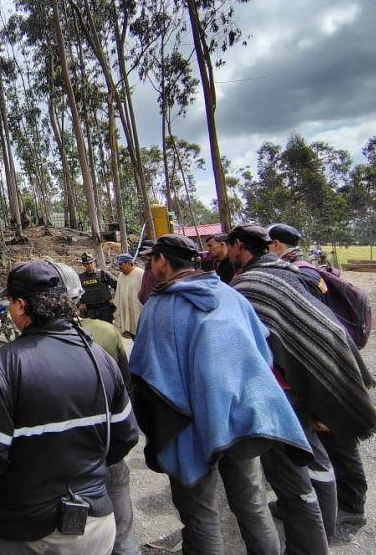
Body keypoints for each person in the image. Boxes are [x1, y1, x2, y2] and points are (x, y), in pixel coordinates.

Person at [130, 235, 311, 555]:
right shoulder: (231, 295)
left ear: (162, 261)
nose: (150, 266)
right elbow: (262, 354)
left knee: (201, 515)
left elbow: (146, 378)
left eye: (152, 260)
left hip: (189, 429)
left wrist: (155, 436)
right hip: (240, 421)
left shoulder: (159, 308)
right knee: (253, 506)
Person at [0, 260, 139, 554]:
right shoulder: (98, 356)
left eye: (8, 302)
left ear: (21, 305)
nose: (7, 308)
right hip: (95, 527)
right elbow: (125, 435)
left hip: (27, 532)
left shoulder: (5, 365)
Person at [228, 224, 376, 551]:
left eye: (228, 245)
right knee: (320, 455)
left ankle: (339, 516)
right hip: (319, 370)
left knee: (318, 456)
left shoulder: (252, 283)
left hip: (296, 383)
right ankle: (326, 524)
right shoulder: (289, 271)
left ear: (239, 245)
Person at [268, 222, 369, 527]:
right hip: (319, 363)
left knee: (337, 437)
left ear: (275, 245)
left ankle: (352, 506)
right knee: (323, 438)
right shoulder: (304, 269)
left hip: (324, 365)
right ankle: (328, 499)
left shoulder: (302, 275)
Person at [51, 261, 139, 555]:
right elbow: (127, 388)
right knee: (119, 504)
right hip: (109, 438)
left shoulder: (34, 347)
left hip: (70, 452)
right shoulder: (106, 333)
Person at [78, 251, 117, 321]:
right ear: (83, 265)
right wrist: (80, 303)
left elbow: (117, 285)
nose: (89, 265)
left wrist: (115, 298)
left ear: (94, 262)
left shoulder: (103, 274)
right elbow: (77, 293)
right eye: (87, 264)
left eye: (91, 263)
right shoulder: (80, 278)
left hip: (104, 309)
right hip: (90, 311)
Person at [112, 254, 144, 340]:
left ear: (128, 263)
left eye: (120, 264)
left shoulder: (141, 274)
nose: (119, 267)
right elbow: (118, 294)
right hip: (128, 312)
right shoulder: (121, 276)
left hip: (139, 313)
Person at [137, 240, 158, 305]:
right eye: (143, 254)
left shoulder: (158, 269)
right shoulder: (148, 267)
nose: (145, 257)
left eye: (148, 254)